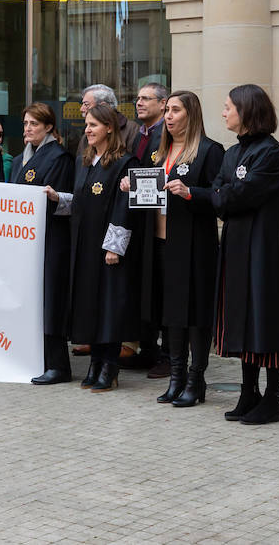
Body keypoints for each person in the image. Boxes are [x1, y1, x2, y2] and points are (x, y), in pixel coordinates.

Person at [210, 84, 279, 425]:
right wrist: (225, 194)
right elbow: (218, 195)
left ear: (247, 111)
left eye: (229, 106)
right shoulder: (232, 153)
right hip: (235, 244)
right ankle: (249, 392)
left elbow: (236, 196)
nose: (224, 112)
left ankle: (274, 396)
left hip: (262, 248)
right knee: (243, 317)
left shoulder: (272, 154)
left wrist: (226, 194)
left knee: (265, 316)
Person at [142, 91, 223, 406]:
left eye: (175, 110)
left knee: (194, 314)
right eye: (167, 111)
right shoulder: (158, 151)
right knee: (171, 313)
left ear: (191, 114)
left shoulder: (209, 151)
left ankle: (196, 379)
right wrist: (130, 186)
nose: (169, 116)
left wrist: (192, 193)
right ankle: (175, 378)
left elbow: (219, 196)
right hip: (162, 242)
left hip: (194, 244)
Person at [58, 103, 138, 392]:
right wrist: (57, 199)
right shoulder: (85, 161)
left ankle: (109, 367)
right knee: (89, 306)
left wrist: (114, 247)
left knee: (109, 307)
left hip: (108, 250)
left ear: (109, 128)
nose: (87, 130)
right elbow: (80, 202)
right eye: (87, 125)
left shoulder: (125, 163)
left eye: (93, 125)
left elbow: (124, 206)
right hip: (84, 246)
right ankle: (94, 363)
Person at [16, 103, 76, 384]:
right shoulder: (20, 160)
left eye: (34, 124)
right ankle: (35, 358)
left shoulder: (59, 158)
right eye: (25, 123)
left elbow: (63, 201)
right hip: (26, 241)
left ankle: (58, 364)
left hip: (52, 238)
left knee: (50, 300)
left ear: (49, 127)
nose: (27, 129)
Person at [128, 80, 172, 376]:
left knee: (165, 291)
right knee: (145, 288)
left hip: (163, 225)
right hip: (141, 223)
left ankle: (168, 355)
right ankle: (148, 348)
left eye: (146, 99)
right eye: (138, 98)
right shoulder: (138, 135)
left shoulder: (164, 137)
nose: (139, 103)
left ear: (162, 104)